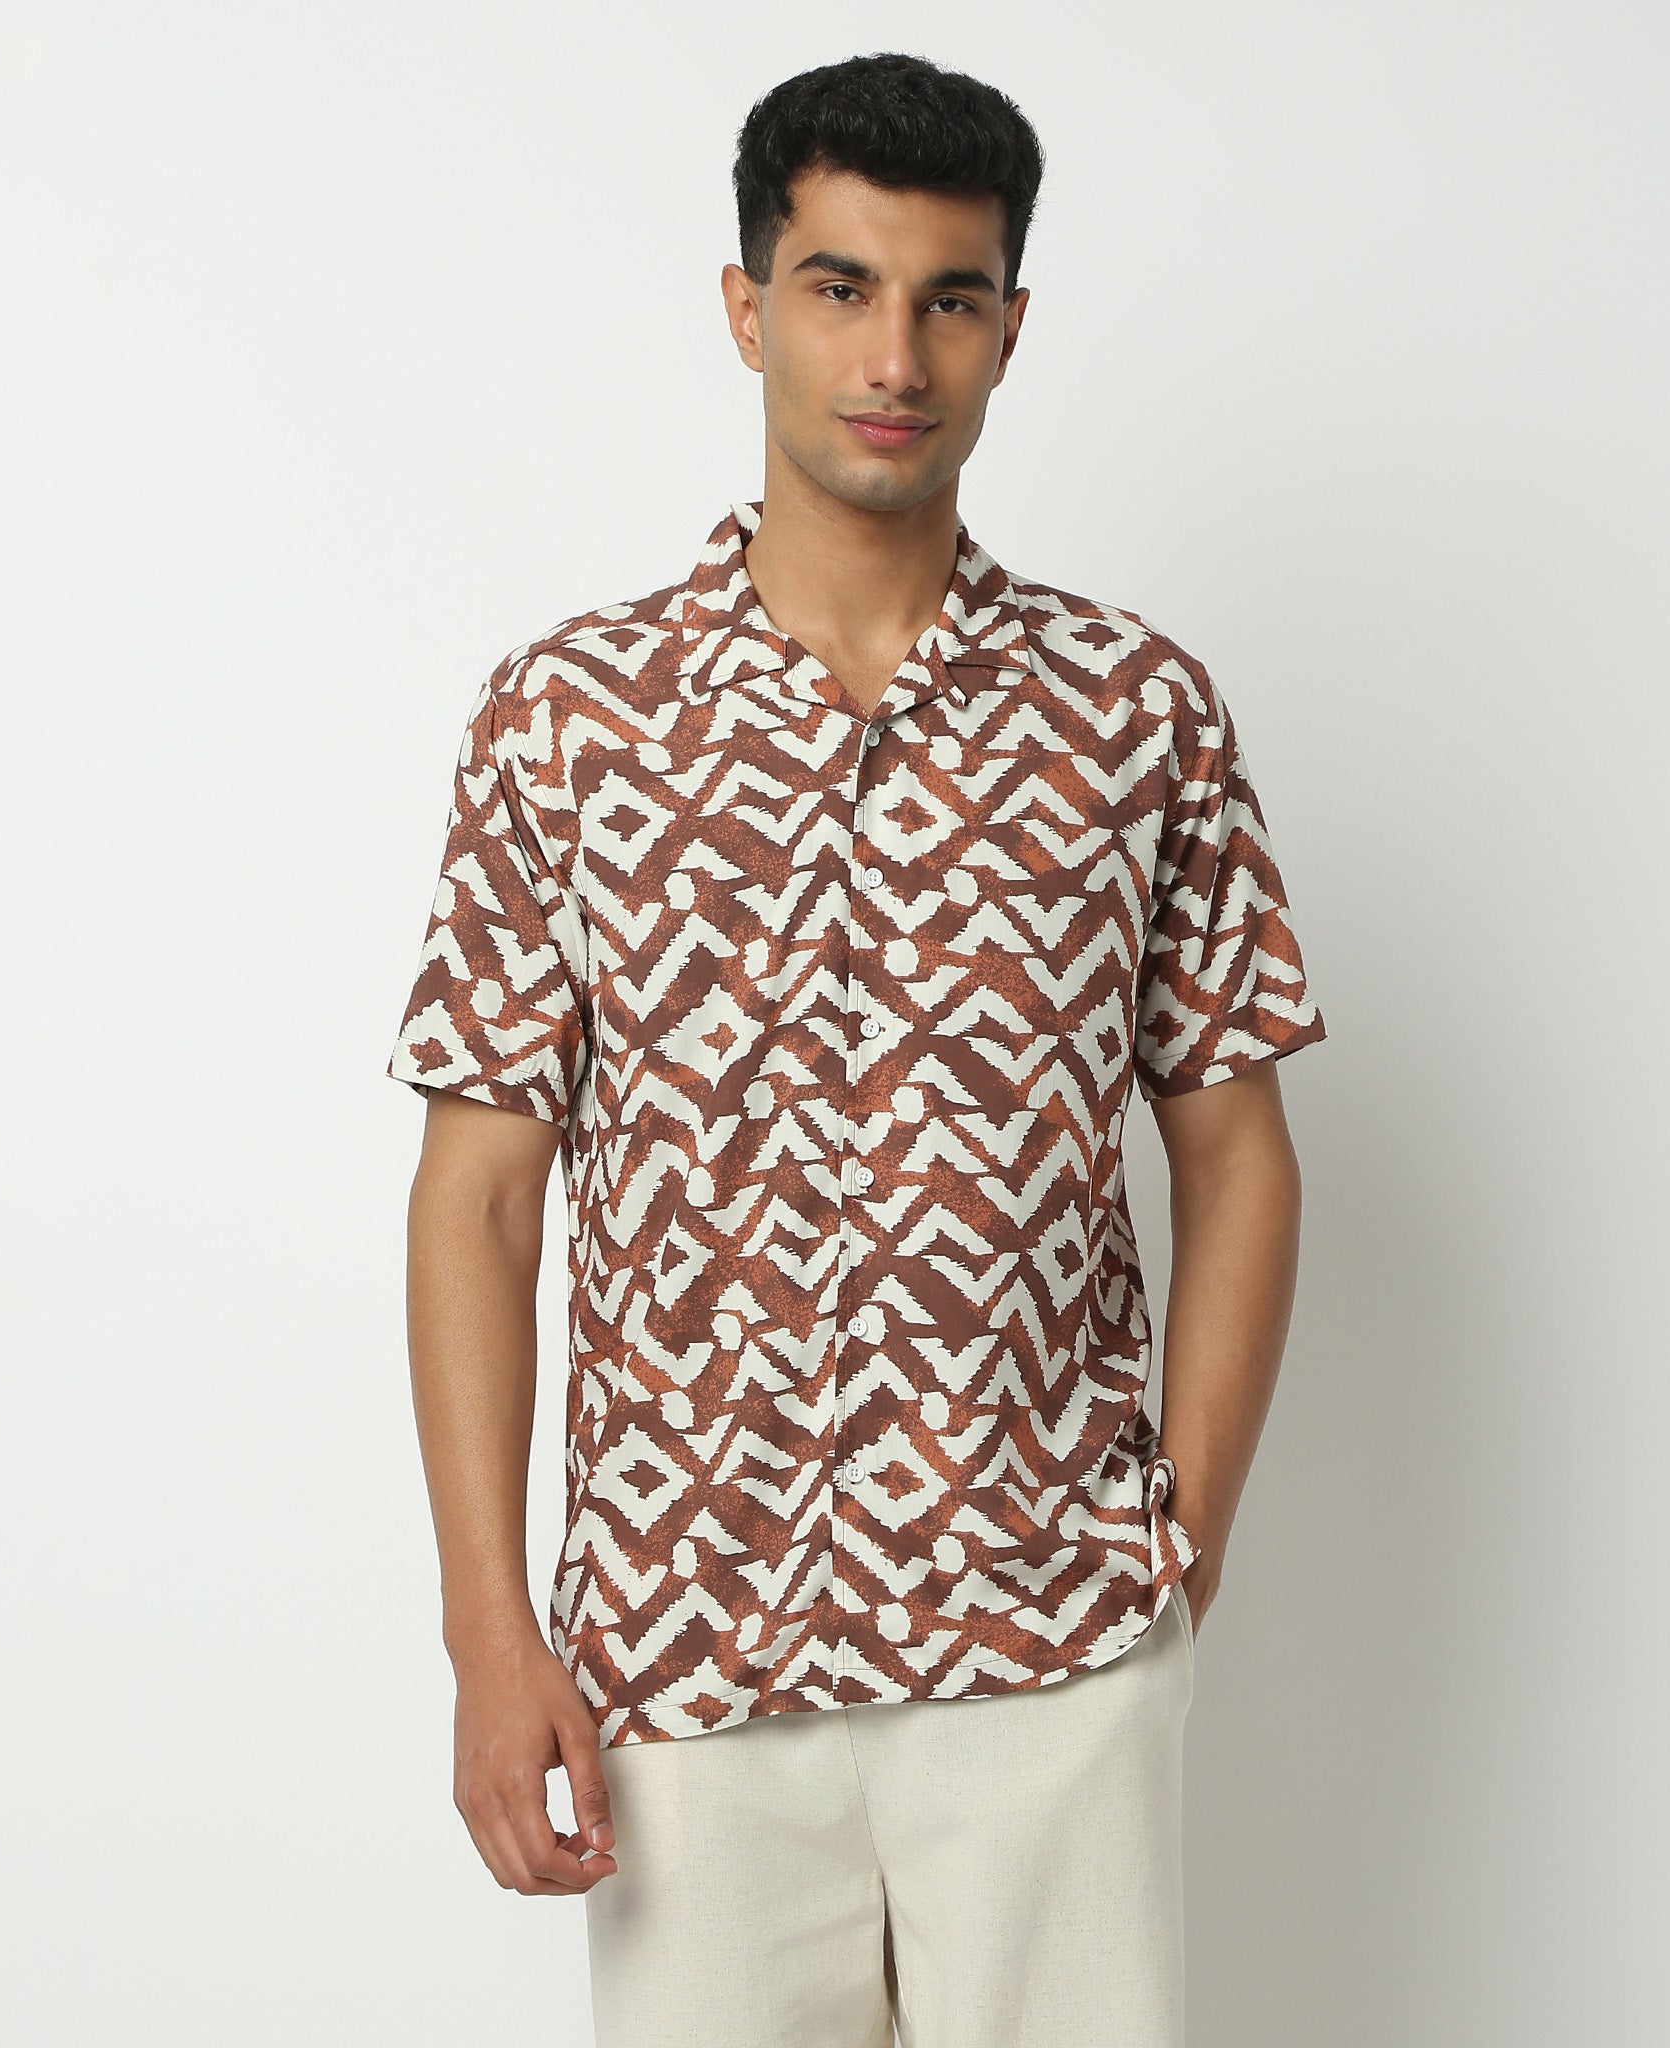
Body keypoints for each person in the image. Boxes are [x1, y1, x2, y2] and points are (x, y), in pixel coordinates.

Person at [386, 49, 1327, 2048]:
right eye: (839, 288)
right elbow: (479, 1197)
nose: (893, 356)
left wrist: (1175, 1554)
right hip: (685, 1653)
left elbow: (1238, 1144)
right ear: (748, 307)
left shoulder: (1133, 717)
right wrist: (489, 1632)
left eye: (947, 298)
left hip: (1049, 1639)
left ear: (1009, 328)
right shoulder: (569, 723)